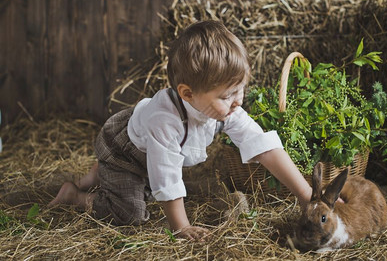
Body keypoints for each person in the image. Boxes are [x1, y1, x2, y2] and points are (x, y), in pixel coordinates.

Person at [49, 20, 313, 241]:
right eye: (227, 95)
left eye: (240, 88)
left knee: (150, 186)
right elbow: (166, 176)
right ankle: (77, 195)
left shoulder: (226, 108)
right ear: (188, 93)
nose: (239, 100)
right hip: (125, 154)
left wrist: (306, 195)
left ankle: (99, 174)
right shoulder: (165, 120)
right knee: (130, 214)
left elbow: (263, 146)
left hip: (148, 151)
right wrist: (181, 227)